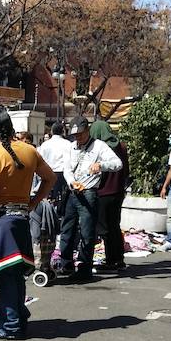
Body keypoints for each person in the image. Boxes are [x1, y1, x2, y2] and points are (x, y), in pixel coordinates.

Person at [0, 109, 56, 339]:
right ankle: (17, 317)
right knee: (15, 274)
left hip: (1, 222)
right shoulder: (30, 151)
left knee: (4, 275)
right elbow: (50, 179)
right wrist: (32, 202)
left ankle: (10, 326)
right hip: (21, 218)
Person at [58, 117, 123, 281]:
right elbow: (66, 169)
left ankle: (84, 267)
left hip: (89, 193)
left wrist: (101, 165)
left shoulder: (99, 146)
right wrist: (72, 182)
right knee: (67, 229)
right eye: (75, 135)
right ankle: (66, 263)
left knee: (87, 232)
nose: (77, 138)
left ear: (87, 131)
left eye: (80, 134)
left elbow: (117, 164)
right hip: (73, 192)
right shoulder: (71, 148)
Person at [91, 121, 130, 270]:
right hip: (118, 192)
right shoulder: (121, 146)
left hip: (102, 192)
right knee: (114, 226)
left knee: (103, 229)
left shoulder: (99, 148)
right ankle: (118, 259)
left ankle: (109, 260)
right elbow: (126, 170)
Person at [37, 121, 72, 214]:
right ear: (62, 131)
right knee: (62, 198)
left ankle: (48, 216)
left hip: (48, 173)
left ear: (51, 131)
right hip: (63, 174)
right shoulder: (68, 144)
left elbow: (40, 160)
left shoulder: (45, 145)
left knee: (48, 198)